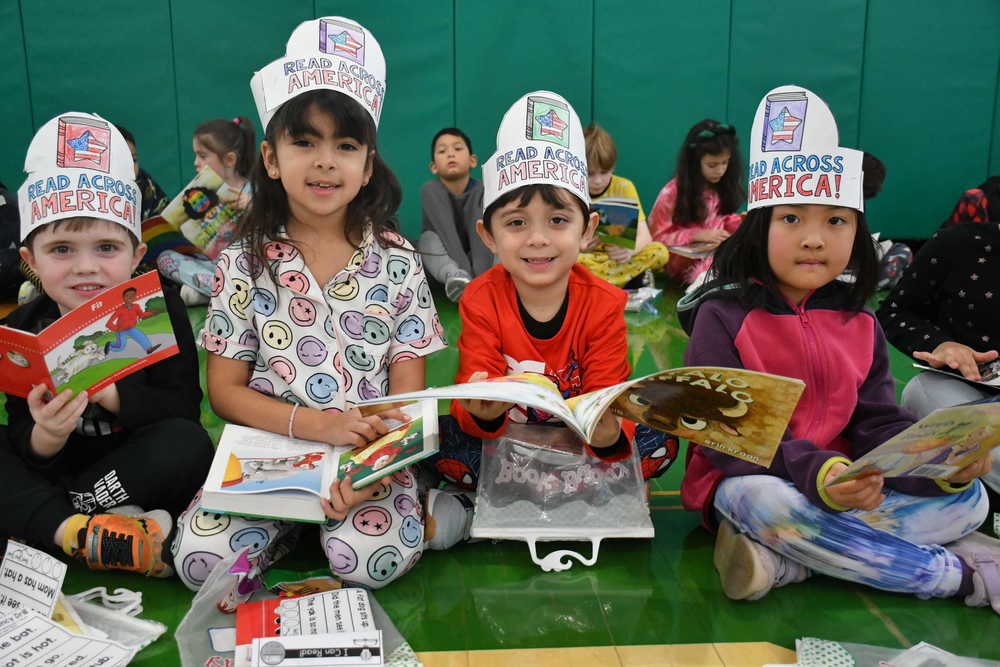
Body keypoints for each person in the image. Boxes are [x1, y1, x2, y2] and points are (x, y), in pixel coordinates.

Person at [680, 86, 1000, 613]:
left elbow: (877, 421)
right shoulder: (721, 316)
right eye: (791, 219)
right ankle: (955, 576)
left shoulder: (860, 321)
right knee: (763, 502)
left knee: (971, 498)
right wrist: (821, 474)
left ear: (857, 231)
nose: (814, 239)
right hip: (756, 480)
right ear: (758, 226)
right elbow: (730, 442)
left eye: (836, 220)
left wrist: (940, 464)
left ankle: (792, 560)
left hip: (847, 484)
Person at [171, 17, 448, 592]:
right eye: (304, 142)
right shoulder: (242, 261)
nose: (325, 162)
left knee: (368, 560)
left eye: (345, 146)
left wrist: (376, 469)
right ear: (271, 159)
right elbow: (224, 392)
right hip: (270, 452)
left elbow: (407, 401)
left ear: (367, 165)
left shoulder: (398, 260)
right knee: (197, 561)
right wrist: (314, 425)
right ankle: (287, 526)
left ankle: (380, 509)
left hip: (366, 454)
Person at [423, 91, 677, 511]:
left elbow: (605, 398)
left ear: (587, 229)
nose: (538, 239)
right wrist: (483, 413)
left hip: (579, 445)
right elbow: (472, 405)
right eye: (517, 223)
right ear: (489, 235)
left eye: (558, 221)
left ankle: (532, 489)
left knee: (659, 438)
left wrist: (607, 434)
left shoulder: (604, 303)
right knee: (440, 438)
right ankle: (586, 488)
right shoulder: (481, 299)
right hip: (511, 441)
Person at [3, 112, 213, 577]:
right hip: (59, 469)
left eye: (106, 248)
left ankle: (57, 522)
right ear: (29, 260)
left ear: (136, 255)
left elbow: (183, 409)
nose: (85, 268)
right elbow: (21, 437)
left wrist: (111, 395)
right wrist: (47, 435)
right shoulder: (24, 327)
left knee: (189, 443)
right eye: (61, 250)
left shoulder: (161, 310)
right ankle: (81, 532)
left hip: (134, 467)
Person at [876, 221, 1000, 495]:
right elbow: (896, 312)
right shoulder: (958, 243)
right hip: (966, 390)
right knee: (926, 394)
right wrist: (942, 344)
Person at [156, 117, 256, 305]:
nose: (196, 162)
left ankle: (215, 293)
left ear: (230, 159)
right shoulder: (199, 192)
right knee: (165, 259)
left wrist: (252, 207)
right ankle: (221, 292)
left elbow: (274, 230)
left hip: (245, 268)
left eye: (202, 156)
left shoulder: (254, 191)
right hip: (210, 267)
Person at [648, 119, 744, 285]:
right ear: (694, 162)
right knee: (711, 274)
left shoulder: (719, 186)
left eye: (725, 163)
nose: (720, 170)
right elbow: (657, 238)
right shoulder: (671, 192)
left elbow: (719, 221)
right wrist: (697, 235)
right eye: (712, 165)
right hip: (683, 266)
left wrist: (740, 223)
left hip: (713, 255)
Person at [577, 123, 669, 288]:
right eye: (589, 174)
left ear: (613, 167)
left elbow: (646, 237)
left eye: (605, 172)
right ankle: (624, 281)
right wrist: (580, 247)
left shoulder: (624, 187)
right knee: (571, 262)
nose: (598, 180)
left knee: (660, 252)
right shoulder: (570, 191)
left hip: (619, 257)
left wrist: (629, 251)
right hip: (587, 257)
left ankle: (597, 284)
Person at [417, 127, 491, 302]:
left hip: (482, 260)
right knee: (427, 240)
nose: (450, 154)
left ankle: (492, 281)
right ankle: (458, 281)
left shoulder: (482, 189)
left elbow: (479, 238)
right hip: (448, 262)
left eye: (458, 149)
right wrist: (465, 278)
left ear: (472, 161)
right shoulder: (430, 190)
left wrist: (481, 280)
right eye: (442, 151)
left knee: (495, 236)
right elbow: (447, 233)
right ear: (433, 167)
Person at [114, 124, 168, 221]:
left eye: (134, 160)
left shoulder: (147, 186)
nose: (131, 168)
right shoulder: (90, 198)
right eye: (122, 161)